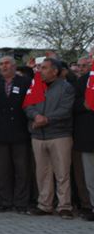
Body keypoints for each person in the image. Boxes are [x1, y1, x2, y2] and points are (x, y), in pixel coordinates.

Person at [26, 58, 75, 219]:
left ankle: (64, 206)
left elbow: (65, 110)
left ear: (55, 71)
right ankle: (45, 205)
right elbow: (28, 105)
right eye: (40, 68)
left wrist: (46, 119)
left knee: (62, 172)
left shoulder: (66, 87)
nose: (40, 70)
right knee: (43, 172)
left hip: (59, 135)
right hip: (38, 136)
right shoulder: (35, 86)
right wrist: (36, 116)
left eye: (44, 68)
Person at [0, 56, 32, 213]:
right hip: (1, 133)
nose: (3, 66)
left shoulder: (25, 82)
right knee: (2, 170)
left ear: (14, 66)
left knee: (22, 170)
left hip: (20, 132)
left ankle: (21, 203)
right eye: (1, 64)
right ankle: (4, 201)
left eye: (6, 63)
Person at [73, 56, 94, 221]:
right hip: (88, 136)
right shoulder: (82, 82)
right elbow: (73, 103)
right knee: (90, 176)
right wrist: (83, 105)